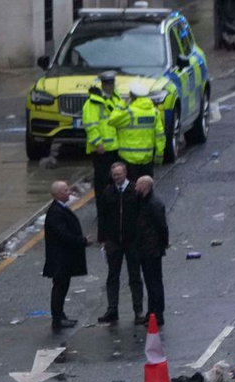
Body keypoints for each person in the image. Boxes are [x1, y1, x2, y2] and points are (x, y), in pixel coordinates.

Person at [97, 161, 144, 326]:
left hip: (132, 241)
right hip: (113, 241)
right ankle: (112, 310)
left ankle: (138, 311)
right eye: (114, 174)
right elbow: (102, 216)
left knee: (135, 276)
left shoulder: (134, 190)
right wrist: (102, 238)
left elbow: (141, 215)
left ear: (125, 174)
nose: (117, 177)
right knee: (112, 276)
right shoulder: (108, 192)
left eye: (119, 174)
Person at [43, 180, 90, 333]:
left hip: (63, 258)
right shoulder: (56, 212)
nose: (69, 191)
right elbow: (63, 235)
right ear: (58, 194)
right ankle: (57, 318)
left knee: (62, 287)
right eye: (65, 190)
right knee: (59, 288)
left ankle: (61, 315)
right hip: (59, 259)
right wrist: (82, 241)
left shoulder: (60, 208)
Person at [83, 72, 129, 212]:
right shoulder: (93, 102)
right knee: (102, 181)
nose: (110, 87)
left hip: (115, 147)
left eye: (112, 84)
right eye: (108, 84)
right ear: (103, 84)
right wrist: (97, 143)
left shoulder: (115, 98)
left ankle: (113, 208)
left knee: (115, 180)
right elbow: (90, 125)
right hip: (102, 150)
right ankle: (102, 209)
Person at [135, 175, 168, 328]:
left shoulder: (153, 204)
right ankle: (151, 312)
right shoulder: (144, 201)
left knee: (154, 283)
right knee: (150, 282)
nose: (135, 188)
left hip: (152, 250)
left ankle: (158, 314)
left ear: (144, 187)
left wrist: (162, 244)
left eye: (138, 186)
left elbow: (162, 227)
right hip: (145, 248)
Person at [118, 80, 165, 180]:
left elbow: (112, 120)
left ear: (131, 96)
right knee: (146, 189)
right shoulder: (154, 112)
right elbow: (160, 135)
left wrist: (121, 104)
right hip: (147, 159)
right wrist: (159, 156)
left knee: (131, 190)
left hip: (129, 159)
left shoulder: (128, 112)